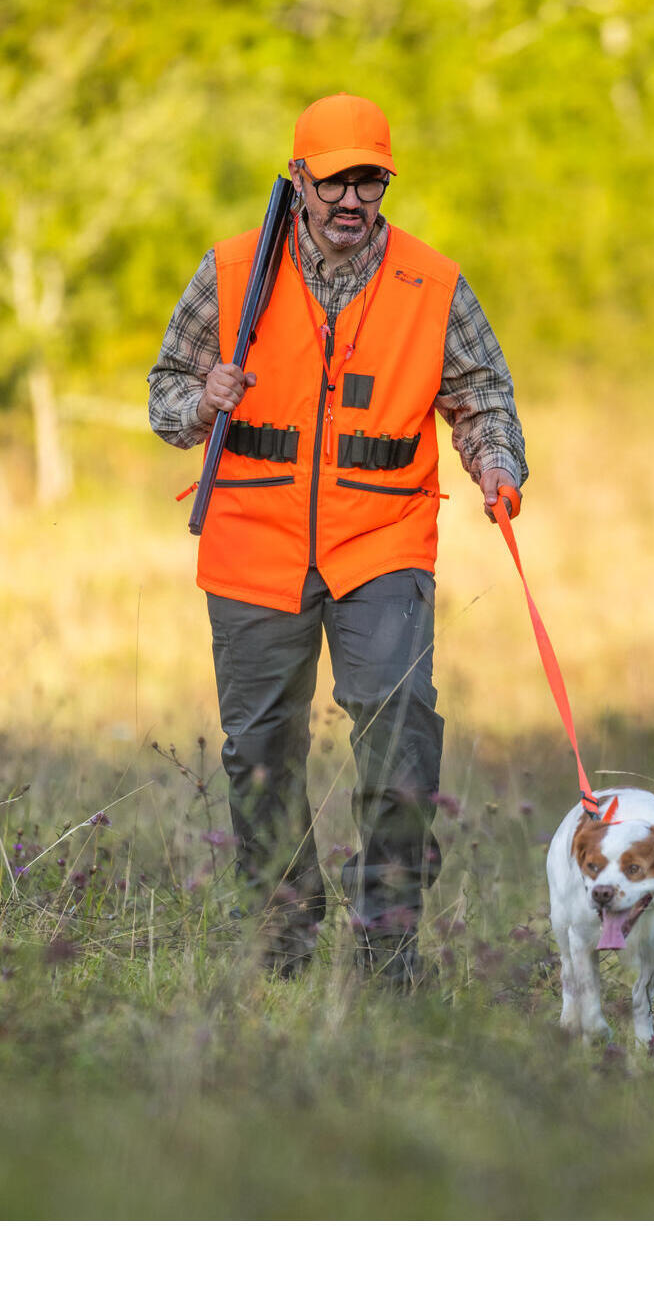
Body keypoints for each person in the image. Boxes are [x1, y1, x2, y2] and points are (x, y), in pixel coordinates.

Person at [147, 94, 527, 982]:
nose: (352, 200)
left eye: (370, 180)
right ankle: (285, 930)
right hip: (252, 538)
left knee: (400, 731)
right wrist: (202, 401)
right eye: (333, 182)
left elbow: (483, 394)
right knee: (259, 752)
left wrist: (496, 464)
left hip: (382, 540)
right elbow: (164, 396)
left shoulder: (434, 284)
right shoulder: (231, 271)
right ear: (298, 180)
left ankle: (389, 938)